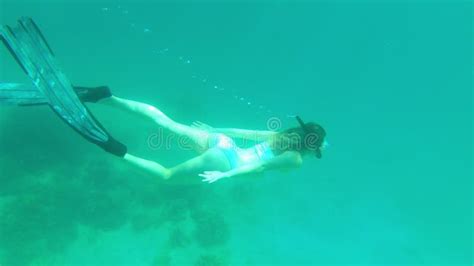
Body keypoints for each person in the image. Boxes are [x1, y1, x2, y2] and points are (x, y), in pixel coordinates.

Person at [1, 17, 327, 185]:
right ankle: (111, 146)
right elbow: (260, 165)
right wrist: (225, 177)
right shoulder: (296, 160)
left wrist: (214, 128)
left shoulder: (280, 136)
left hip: (222, 141)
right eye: (318, 150)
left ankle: (107, 97)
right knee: (167, 177)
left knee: (165, 122)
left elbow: (247, 132)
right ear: (311, 147)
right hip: (228, 162)